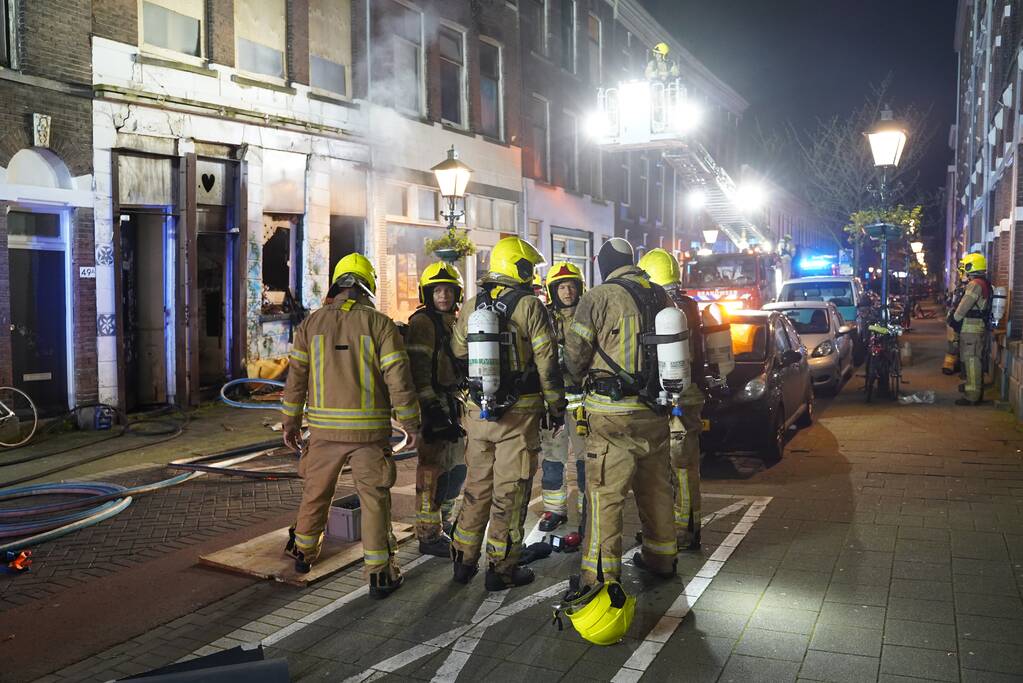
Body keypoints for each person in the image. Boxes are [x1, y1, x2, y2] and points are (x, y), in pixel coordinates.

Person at [280, 253, 420, 599]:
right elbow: (398, 379)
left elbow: (296, 379)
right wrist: (410, 422)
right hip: (370, 435)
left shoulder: (311, 324)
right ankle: (380, 574)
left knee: (316, 493)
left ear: (336, 285)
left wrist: (290, 422)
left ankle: (303, 553)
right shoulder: (380, 324)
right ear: (368, 286)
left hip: (323, 433)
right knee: (374, 501)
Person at [449, 236, 566, 591]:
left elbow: (458, 350)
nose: (532, 274)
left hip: (478, 413)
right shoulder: (530, 305)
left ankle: (462, 561)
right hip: (519, 414)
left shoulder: (473, 304)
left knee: (476, 488)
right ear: (519, 266)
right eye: (529, 267)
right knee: (510, 494)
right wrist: (556, 404)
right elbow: (547, 361)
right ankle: (501, 569)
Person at [566, 238, 678, 589]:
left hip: (612, 415)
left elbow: (575, 355)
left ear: (604, 265)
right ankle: (662, 558)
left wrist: (571, 381)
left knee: (605, 496)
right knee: (657, 489)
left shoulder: (598, 297)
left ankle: (599, 577)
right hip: (655, 412)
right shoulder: (661, 295)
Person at [637, 248, 705, 551]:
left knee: (680, 464)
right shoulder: (690, 305)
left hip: (675, 398)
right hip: (688, 394)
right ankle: (675, 528)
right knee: (678, 464)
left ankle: (685, 531)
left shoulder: (662, 309)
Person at [406, 262, 467, 557]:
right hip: (433, 406)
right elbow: (418, 370)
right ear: (427, 294)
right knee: (432, 473)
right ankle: (428, 535)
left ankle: (445, 521)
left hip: (454, 402)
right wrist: (430, 409)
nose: (443, 296)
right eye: (437, 290)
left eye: (448, 290)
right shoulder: (422, 322)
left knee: (456, 469)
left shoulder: (454, 320)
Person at [538, 262, 588, 533]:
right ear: (552, 291)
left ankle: (585, 510)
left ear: (580, 288)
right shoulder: (545, 318)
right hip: (554, 403)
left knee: (584, 460)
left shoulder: (589, 315)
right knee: (552, 460)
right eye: (561, 287)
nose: (567, 292)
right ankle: (554, 510)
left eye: (571, 286)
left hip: (584, 402)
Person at [951, 253, 991, 405]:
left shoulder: (975, 284)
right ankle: (973, 390)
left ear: (970, 266)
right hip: (976, 328)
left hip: (971, 329)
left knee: (972, 361)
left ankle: (972, 396)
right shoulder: (984, 283)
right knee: (973, 360)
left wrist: (954, 319)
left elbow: (964, 305)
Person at [943, 265, 966, 375]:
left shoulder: (962, 287)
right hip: (956, 319)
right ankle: (951, 366)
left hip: (956, 319)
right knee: (954, 343)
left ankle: (951, 365)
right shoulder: (962, 287)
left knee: (954, 344)